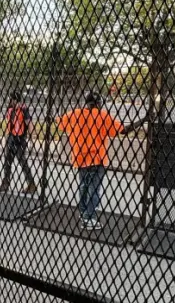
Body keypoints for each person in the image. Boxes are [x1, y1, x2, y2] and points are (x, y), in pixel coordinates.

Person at [58, 92, 146, 230]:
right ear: (98, 103)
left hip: (80, 159)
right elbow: (123, 130)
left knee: (83, 187)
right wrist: (143, 119)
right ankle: (89, 218)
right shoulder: (102, 115)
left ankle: (83, 212)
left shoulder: (75, 114)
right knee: (94, 189)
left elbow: (59, 122)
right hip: (96, 159)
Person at [0, 90, 37, 194]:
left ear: (15, 100)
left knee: (22, 162)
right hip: (11, 138)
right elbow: (8, 124)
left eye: (11, 99)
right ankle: (5, 183)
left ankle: (31, 184)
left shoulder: (23, 109)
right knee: (7, 162)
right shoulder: (10, 109)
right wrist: (5, 139)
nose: (9, 101)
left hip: (20, 139)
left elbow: (29, 124)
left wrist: (33, 140)